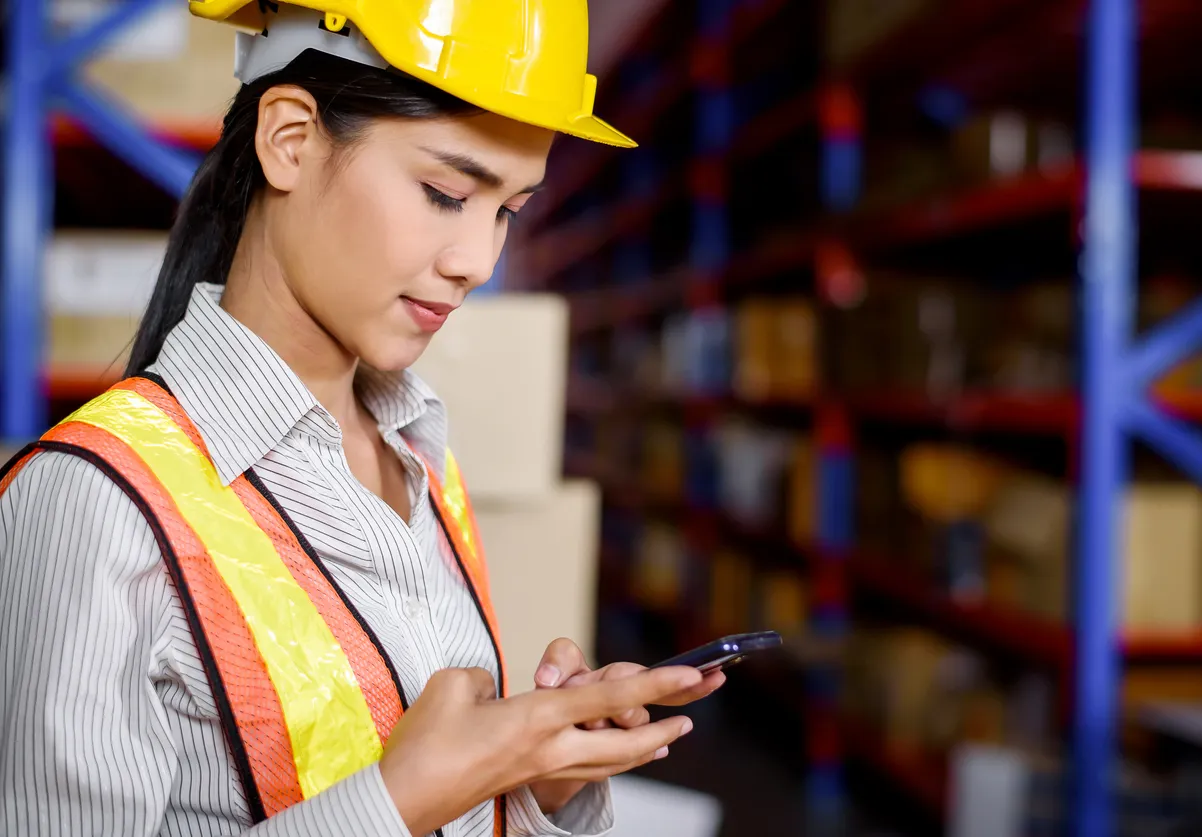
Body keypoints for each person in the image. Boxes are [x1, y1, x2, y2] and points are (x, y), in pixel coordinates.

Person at [0, 2, 725, 835]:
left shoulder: (421, 460)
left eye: (508, 212)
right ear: (291, 141)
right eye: (446, 193)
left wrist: (530, 775)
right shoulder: (95, 505)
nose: (477, 263)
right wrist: (400, 799)